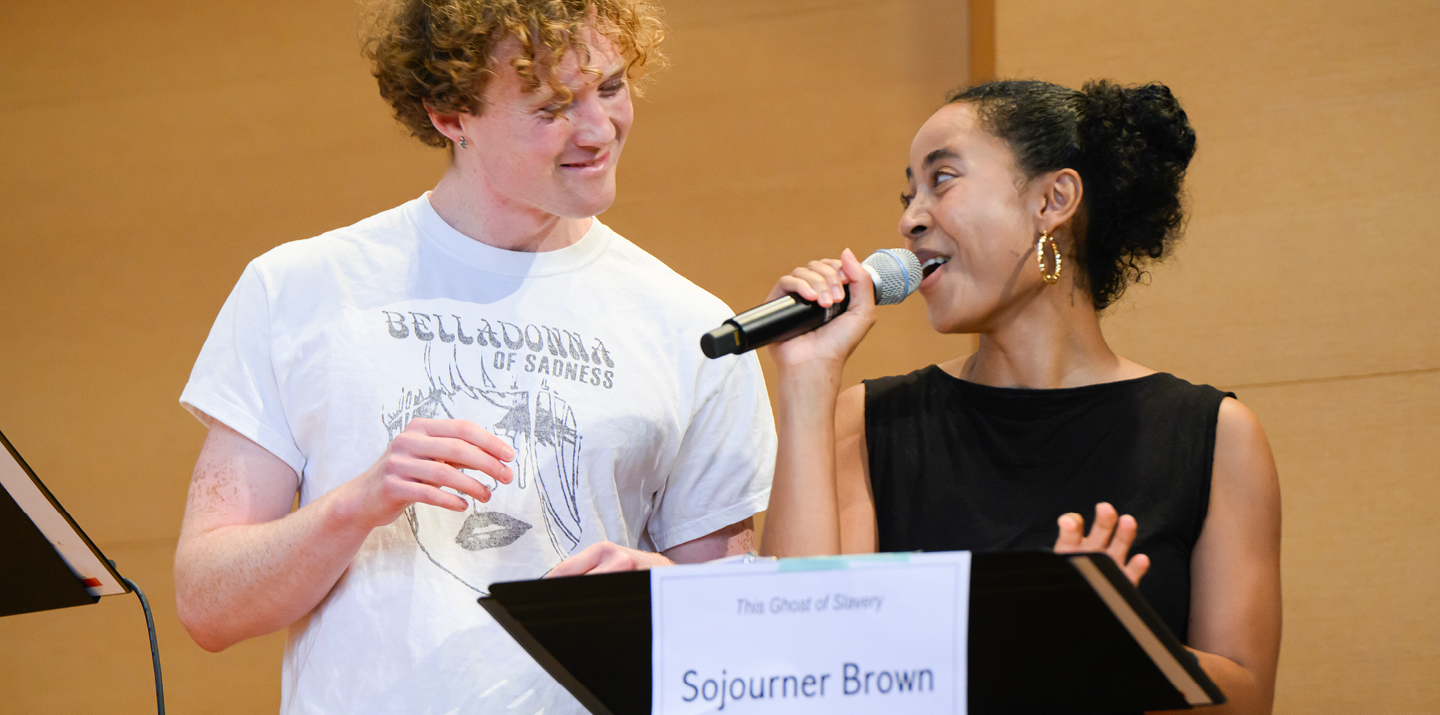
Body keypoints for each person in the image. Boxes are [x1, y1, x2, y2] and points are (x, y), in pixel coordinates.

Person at [173, 2, 774, 713]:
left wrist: (661, 591)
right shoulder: (300, 289)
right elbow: (207, 602)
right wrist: (358, 504)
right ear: (450, 115)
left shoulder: (694, 326)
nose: (598, 128)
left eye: (610, 87)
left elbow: (741, 643)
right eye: (552, 105)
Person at [758, 80, 1282, 714]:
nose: (910, 219)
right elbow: (794, 664)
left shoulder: (1214, 434)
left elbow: (1248, 699)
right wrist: (808, 379)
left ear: (1052, 200)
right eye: (908, 194)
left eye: (942, 179)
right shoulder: (866, 423)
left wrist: (1111, 644)